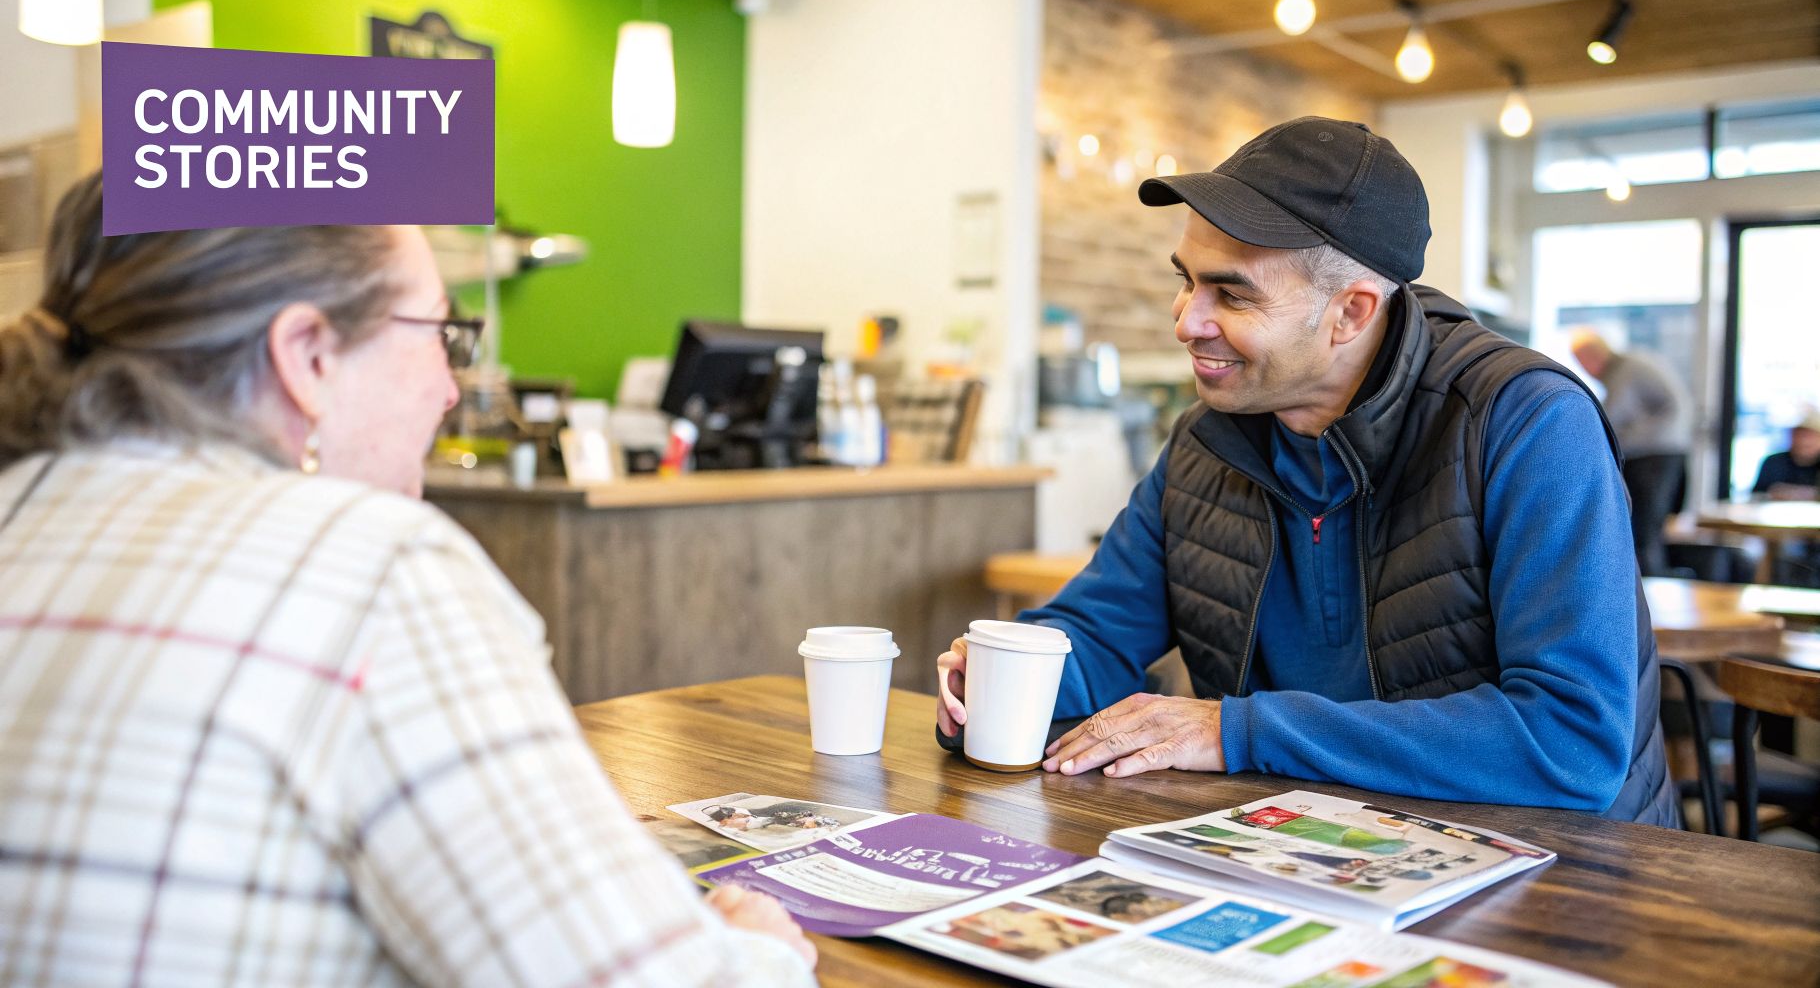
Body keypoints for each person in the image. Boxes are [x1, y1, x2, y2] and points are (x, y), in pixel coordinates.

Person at [0, 175, 816, 985]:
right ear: (307, 355)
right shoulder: (371, 565)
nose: (451, 386)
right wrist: (760, 952)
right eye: (439, 332)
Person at [936, 117, 1674, 826]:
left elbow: (1574, 740)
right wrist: (1003, 681)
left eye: (1231, 293)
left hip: (1568, 885)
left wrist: (1239, 732)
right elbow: (1096, 634)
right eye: (1187, 281)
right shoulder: (1207, 441)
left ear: (1350, 313)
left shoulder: (1525, 422)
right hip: (1307, 854)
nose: (1186, 319)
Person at [1568, 329, 1693, 575]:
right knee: (1647, 533)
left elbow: (1609, 421)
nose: (1583, 369)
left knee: (1640, 533)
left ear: (1593, 355)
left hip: (1653, 455)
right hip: (1665, 452)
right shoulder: (1632, 365)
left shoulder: (1623, 371)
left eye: (1580, 362)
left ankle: (1646, 602)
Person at [1753, 408, 1820, 501]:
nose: (1804, 441)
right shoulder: (1774, 462)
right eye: (1799, 435)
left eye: (1810, 436)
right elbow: (1755, 496)